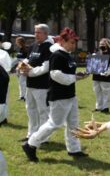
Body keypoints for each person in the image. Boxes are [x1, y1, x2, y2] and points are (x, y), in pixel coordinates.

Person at [22, 28, 88, 162]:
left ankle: (74, 149)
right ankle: (31, 144)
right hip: (59, 96)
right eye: (71, 42)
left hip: (70, 94)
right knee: (54, 123)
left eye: (74, 43)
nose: (73, 46)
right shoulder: (57, 55)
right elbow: (56, 75)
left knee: (73, 123)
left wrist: (79, 75)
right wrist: (75, 77)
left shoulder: (67, 55)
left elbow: (68, 73)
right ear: (62, 41)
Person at [18, 24, 53, 142]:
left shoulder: (49, 47)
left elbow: (46, 67)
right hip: (30, 84)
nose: (36, 35)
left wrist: (30, 72)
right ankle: (31, 134)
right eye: (35, 32)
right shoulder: (33, 45)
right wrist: (21, 66)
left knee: (43, 111)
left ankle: (43, 137)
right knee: (30, 109)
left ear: (46, 34)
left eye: (38, 32)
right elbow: (28, 59)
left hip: (42, 85)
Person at [92, 38, 110, 113]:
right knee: (97, 91)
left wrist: (107, 73)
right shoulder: (97, 53)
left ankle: (105, 107)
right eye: (100, 44)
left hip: (106, 77)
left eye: (103, 44)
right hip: (96, 76)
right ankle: (98, 106)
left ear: (107, 45)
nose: (101, 46)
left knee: (106, 92)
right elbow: (93, 65)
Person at [15, 37, 29, 101]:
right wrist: (17, 67)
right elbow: (17, 59)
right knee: (20, 82)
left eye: (17, 41)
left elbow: (26, 60)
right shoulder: (19, 49)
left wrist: (20, 66)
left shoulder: (26, 49)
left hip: (24, 66)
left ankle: (25, 96)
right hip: (19, 66)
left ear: (20, 42)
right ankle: (21, 96)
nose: (16, 43)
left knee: (23, 82)